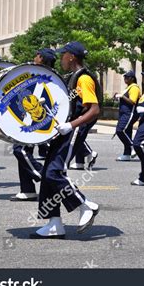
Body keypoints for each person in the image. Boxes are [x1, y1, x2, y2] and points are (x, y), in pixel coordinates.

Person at [31, 42, 100, 239]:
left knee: (55, 172)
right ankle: (54, 223)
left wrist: (71, 125)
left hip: (75, 129)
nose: (61, 58)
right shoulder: (73, 78)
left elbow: (94, 110)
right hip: (66, 129)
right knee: (47, 174)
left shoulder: (84, 79)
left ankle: (85, 205)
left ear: (71, 57)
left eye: (63, 55)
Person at [10, 49, 56, 202]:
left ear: (41, 58)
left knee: (20, 150)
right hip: (33, 119)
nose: (34, 56)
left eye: (37, 54)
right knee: (24, 150)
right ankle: (27, 189)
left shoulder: (43, 76)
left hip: (39, 120)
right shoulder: (46, 74)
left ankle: (42, 176)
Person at [114, 70, 140, 161]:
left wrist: (122, 96)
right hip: (124, 113)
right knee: (127, 132)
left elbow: (133, 101)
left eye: (127, 77)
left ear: (132, 78)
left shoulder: (134, 88)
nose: (125, 79)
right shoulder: (128, 87)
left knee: (120, 130)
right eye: (124, 77)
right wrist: (119, 97)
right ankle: (127, 154)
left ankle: (133, 147)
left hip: (130, 113)